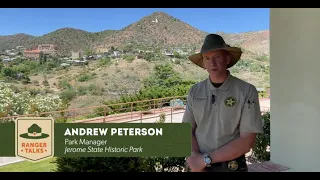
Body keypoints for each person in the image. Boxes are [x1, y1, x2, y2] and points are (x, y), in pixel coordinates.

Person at [182, 34, 264, 172]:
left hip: (231, 166)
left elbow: (247, 141)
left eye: (217, 57)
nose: (212, 63)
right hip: (198, 165)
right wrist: (195, 157)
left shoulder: (246, 90)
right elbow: (186, 130)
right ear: (203, 62)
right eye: (207, 58)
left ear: (227, 59)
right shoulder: (195, 91)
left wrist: (205, 159)